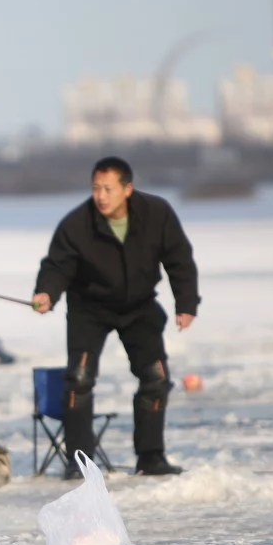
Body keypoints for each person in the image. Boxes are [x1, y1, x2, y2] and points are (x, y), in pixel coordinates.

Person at [32, 156, 199, 479]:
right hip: (89, 309)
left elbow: (179, 259)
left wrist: (186, 303)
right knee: (78, 381)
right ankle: (79, 462)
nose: (101, 196)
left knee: (156, 378)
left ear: (128, 189)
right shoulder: (77, 223)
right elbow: (56, 266)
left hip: (139, 307)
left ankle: (151, 457)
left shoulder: (157, 214)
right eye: (96, 188)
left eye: (108, 188)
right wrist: (46, 294)